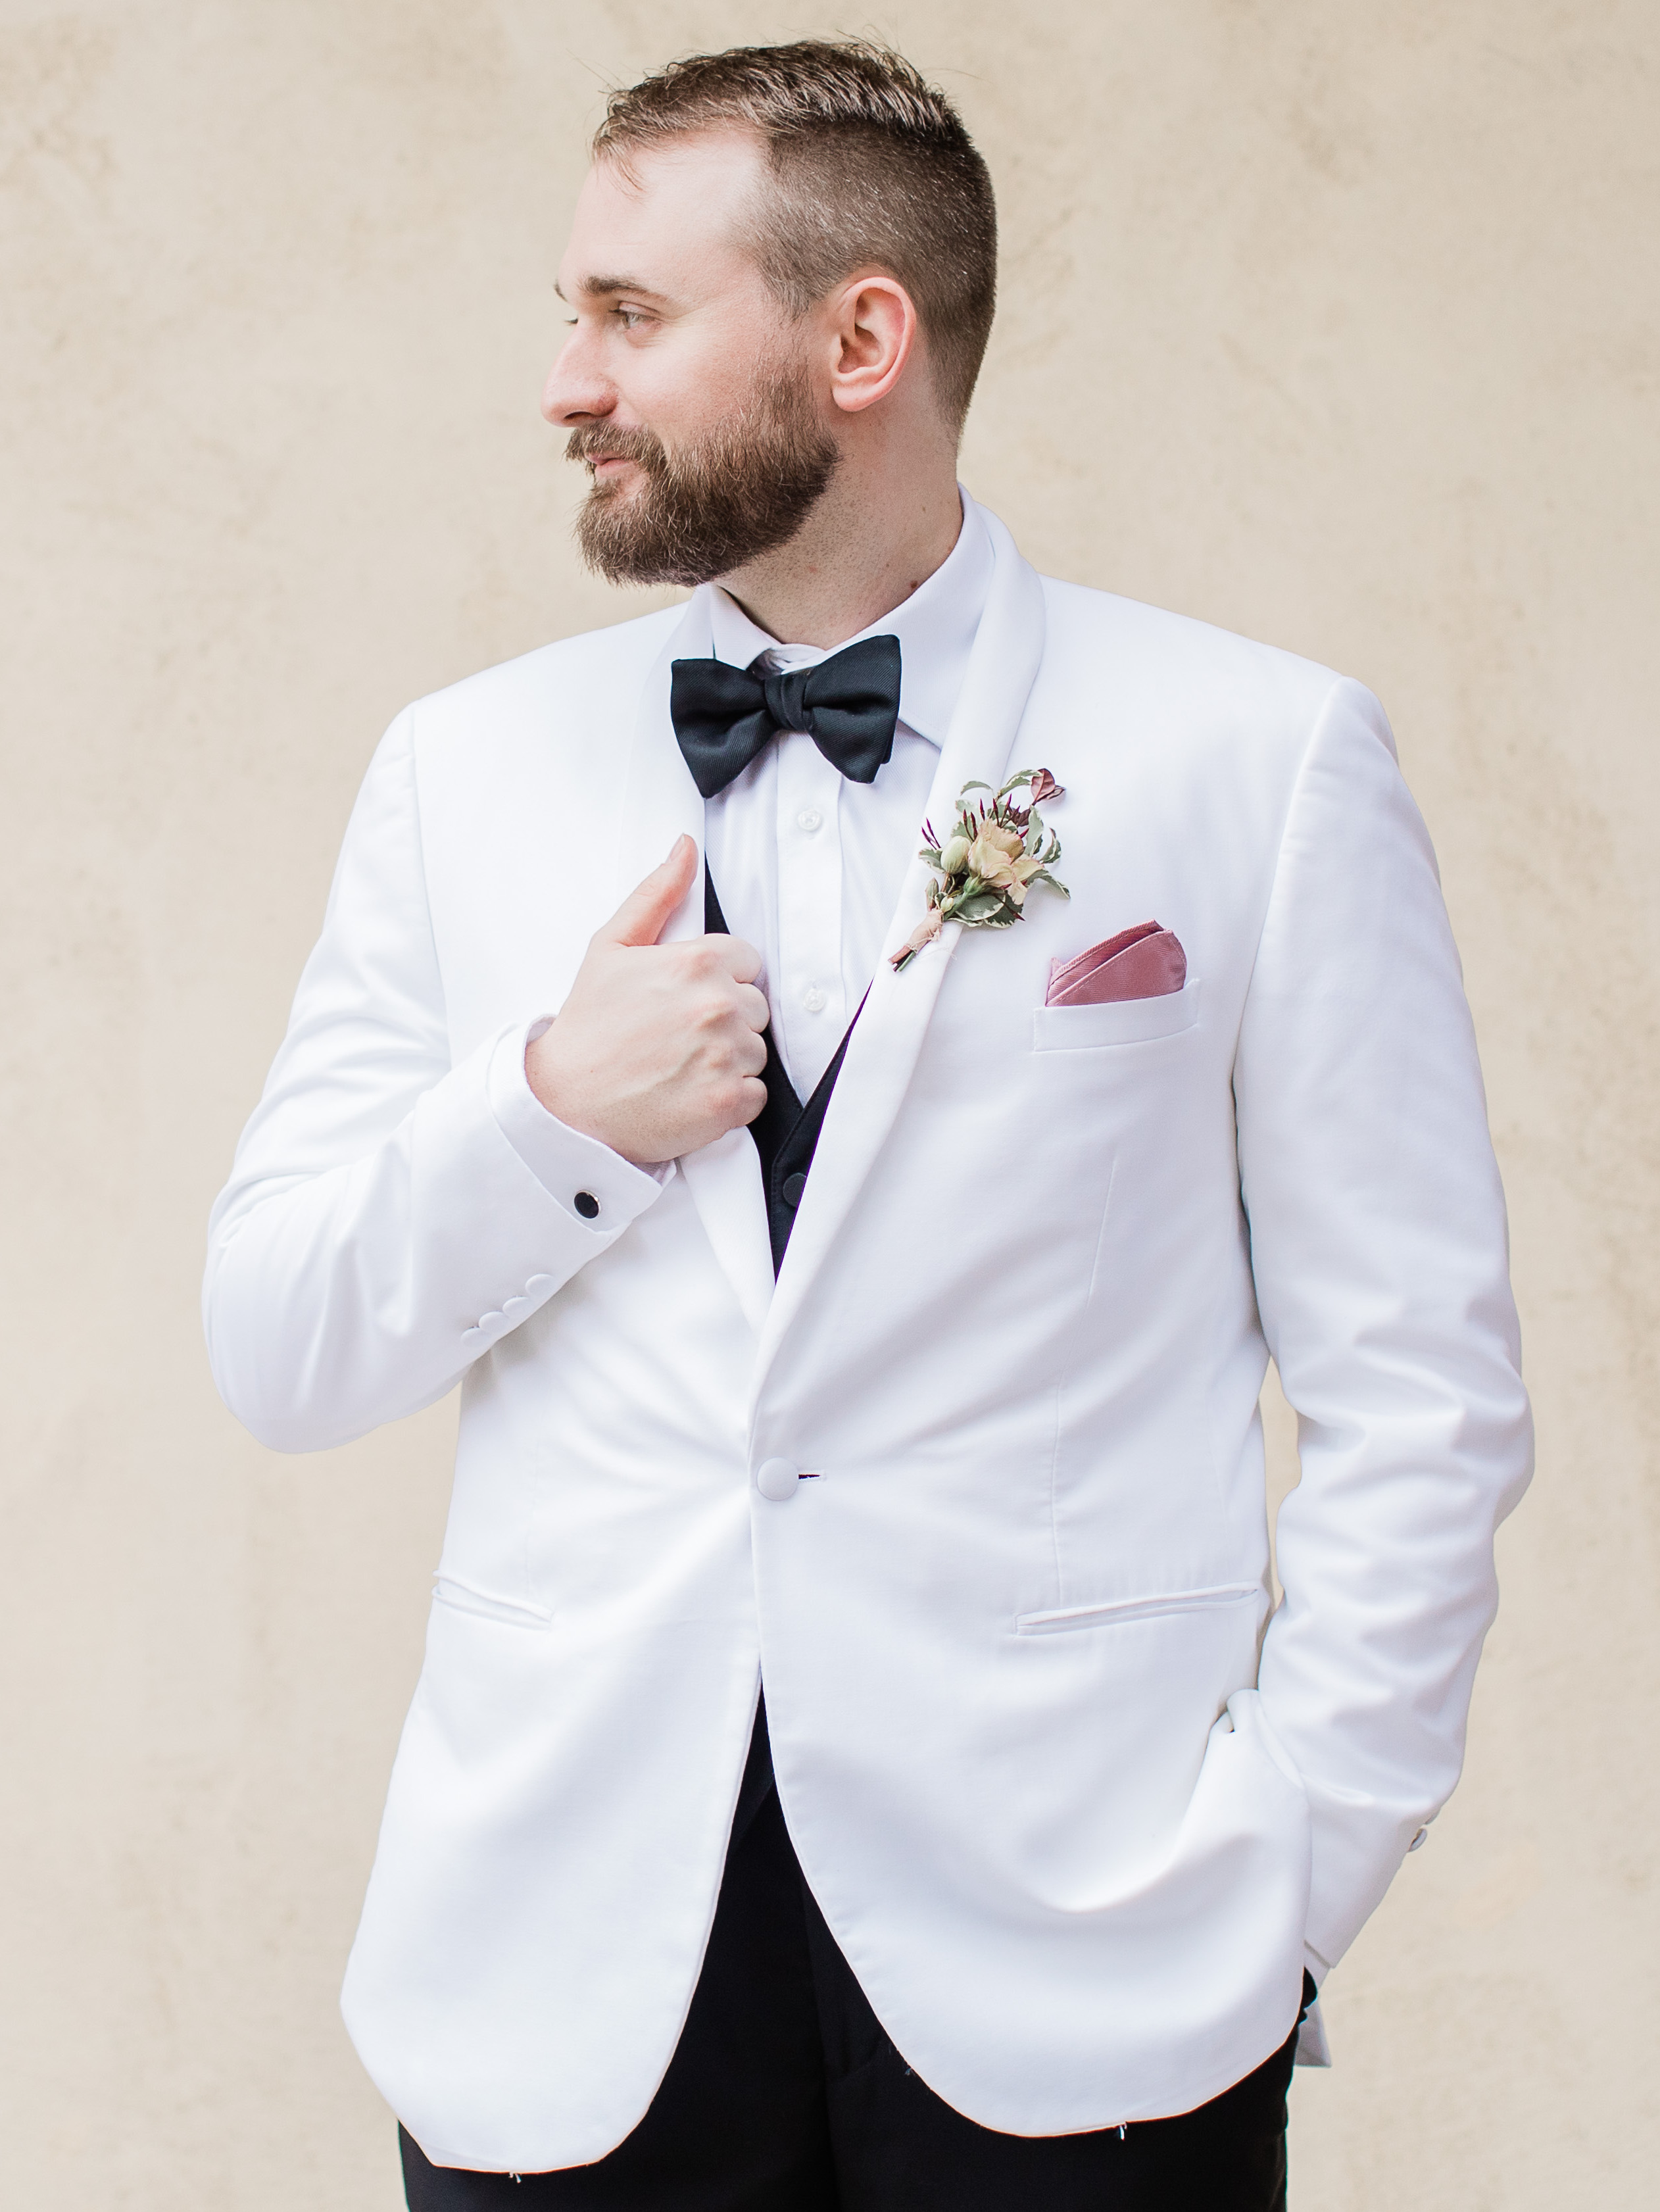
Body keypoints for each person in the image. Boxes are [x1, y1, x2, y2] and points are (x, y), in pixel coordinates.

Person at [203, 38, 1532, 2211]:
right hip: (566, 1970)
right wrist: (552, 1111)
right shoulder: (463, 771)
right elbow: (278, 1338)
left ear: (858, 339)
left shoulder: (1253, 758)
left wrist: (1288, 1876)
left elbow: (1422, 1383)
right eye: (573, 312)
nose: (564, 379)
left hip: (1087, 1962)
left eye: (628, 315)